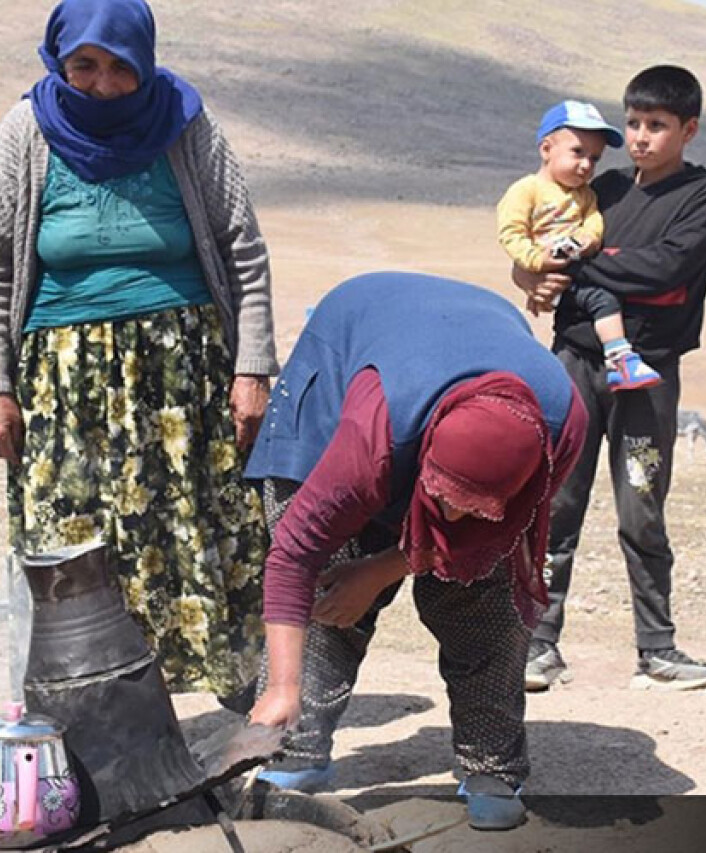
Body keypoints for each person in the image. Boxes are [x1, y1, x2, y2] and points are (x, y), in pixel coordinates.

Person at [0, 0, 277, 703]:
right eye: (85, 66)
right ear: (59, 61)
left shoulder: (186, 126)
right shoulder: (25, 133)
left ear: (146, 63)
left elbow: (244, 252)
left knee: (198, 535)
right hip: (61, 385)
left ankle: (237, 712)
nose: (103, 84)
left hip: (182, 378)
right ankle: (83, 708)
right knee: (72, 544)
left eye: (121, 69)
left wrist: (253, 367)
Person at [244, 272, 587, 831]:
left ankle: (491, 765)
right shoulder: (372, 434)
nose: (452, 518)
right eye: (443, 500)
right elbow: (292, 554)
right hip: (355, 353)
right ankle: (294, 749)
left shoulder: (559, 428)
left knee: (485, 605)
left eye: (472, 508)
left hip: (457, 346)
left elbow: (481, 534)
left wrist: (382, 570)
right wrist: (284, 686)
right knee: (327, 588)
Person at [514, 65, 706, 692]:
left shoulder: (704, 198)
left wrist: (586, 265)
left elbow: (665, 271)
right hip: (575, 368)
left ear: (688, 130)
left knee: (642, 507)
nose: (640, 136)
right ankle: (536, 645)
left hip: (647, 377)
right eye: (633, 123)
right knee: (555, 505)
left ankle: (658, 651)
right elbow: (541, 246)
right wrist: (531, 275)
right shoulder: (600, 190)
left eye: (656, 125)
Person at [497, 100, 662, 391]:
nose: (586, 165)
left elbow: (593, 224)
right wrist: (535, 264)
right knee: (604, 300)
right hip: (558, 277)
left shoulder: (585, 195)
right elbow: (511, 233)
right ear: (546, 149)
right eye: (578, 152)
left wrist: (586, 242)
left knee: (602, 298)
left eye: (594, 158)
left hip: (573, 269)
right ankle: (621, 358)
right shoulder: (526, 191)